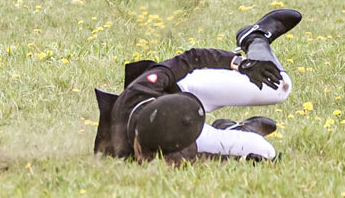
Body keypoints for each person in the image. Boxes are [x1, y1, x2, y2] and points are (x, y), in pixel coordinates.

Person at [93, 9, 301, 163]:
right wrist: (239, 160)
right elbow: (202, 158)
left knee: (280, 87)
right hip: (183, 126)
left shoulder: (145, 87)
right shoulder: (164, 149)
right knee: (266, 152)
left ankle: (255, 38)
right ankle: (233, 129)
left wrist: (240, 63)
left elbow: (191, 58)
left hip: (185, 90)